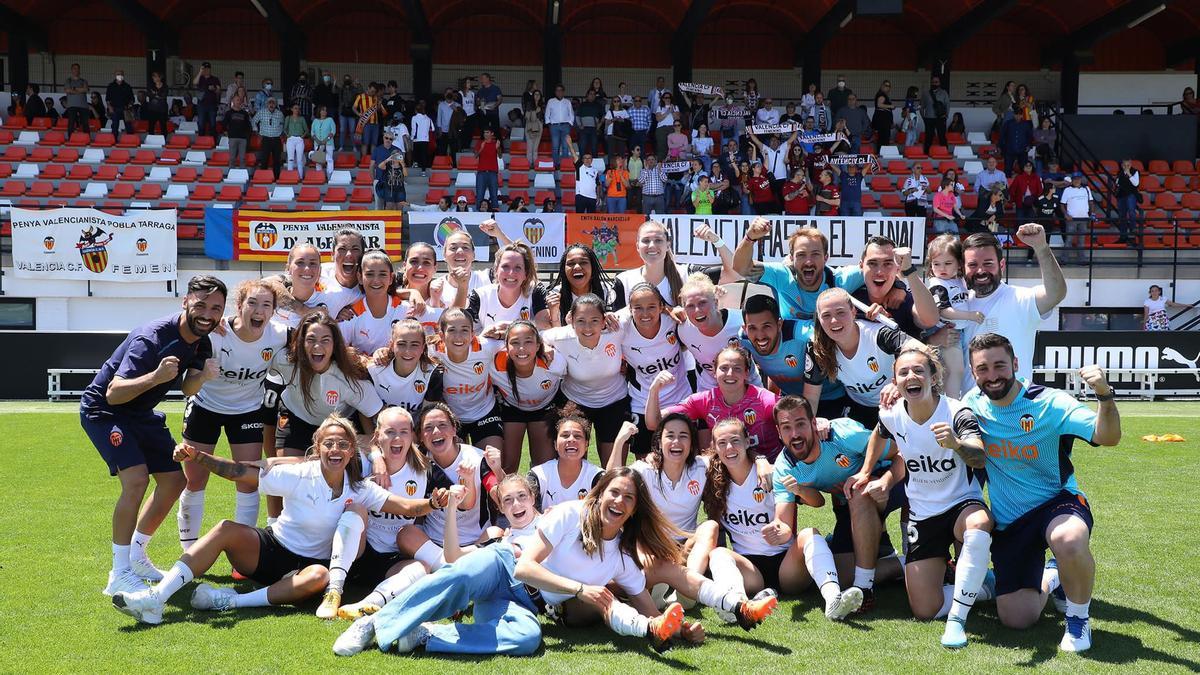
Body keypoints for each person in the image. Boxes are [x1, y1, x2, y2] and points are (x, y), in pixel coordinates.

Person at [111, 415, 446, 624]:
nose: (335, 449)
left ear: (350, 452)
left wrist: (432, 501)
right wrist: (199, 456)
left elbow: (405, 507)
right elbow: (240, 472)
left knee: (320, 575)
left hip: (309, 566)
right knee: (226, 529)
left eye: (342, 444)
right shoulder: (299, 474)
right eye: (328, 442)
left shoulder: (358, 488)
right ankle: (158, 598)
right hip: (271, 548)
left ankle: (232, 601)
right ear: (317, 446)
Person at [963, 333, 1121, 652]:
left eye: (999, 366)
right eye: (983, 369)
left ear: (1015, 365)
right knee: (1017, 620)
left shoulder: (1050, 402)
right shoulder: (971, 406)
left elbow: (1109, 437)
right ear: (973, 371)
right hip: (1011, 522)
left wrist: (1104, 395)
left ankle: (1078, 622)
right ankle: (1053, 577)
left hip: (1057, 502)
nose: (992, 376)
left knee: (1068, 539)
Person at [82, 276, 225, 598]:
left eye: (216, 308)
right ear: (185, 302)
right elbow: (114, 393)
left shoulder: (203, 340)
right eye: (200, 305)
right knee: (136, 480)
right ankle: (118, 574)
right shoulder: (152, 337)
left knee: (175, 481)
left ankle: (137, 554)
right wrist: (156, 377)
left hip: (141, 415)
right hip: (106, 411)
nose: (207, 313)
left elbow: (188, 388)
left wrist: (202, 376)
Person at [869, 345, 995, 648]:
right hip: (923, 514)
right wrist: (865, 470)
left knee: (979, 524)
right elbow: (880, 433)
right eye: (903, 372)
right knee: (925, 610)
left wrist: (955, 444)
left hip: (961, 504)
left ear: (933, 376)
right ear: (894, 380)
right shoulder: (892, 414)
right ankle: (985, 584)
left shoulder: (956, 411)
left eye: (918, 370)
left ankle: (957, 621)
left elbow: (978, 457)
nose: (911, 376)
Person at [695, 417, 861, 621]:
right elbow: (683, 459)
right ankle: (736, 606)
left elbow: (818, 502)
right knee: (719, 554)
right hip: (749, 568)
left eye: (735, 440)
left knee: (810, 533)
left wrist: (797, 491)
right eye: (722, 443)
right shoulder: (712, 478)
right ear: (714, 447)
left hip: (787, 565)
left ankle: (833, 599)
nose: (729, 447)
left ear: (748, 442)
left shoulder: (772, 472)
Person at [176, 279, 289, 550]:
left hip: (247, 411)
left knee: (248, 481)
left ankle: (244, 552)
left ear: (274, 311)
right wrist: (203, 375)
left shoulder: (281, 334)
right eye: (252, 303)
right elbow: (186, 388)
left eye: (266, 305)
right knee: (194, 479)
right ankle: (189, 551)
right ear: (239, 306)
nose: (259, 310)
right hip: (205, 407)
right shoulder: (215, 334)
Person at [771, 395, 905, 612]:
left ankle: (865, 589)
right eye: (786, 427)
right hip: (850, 504)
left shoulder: (842, 434)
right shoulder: (784, 467)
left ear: (814, 423)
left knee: (857, 490)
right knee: (842, 577)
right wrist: (776, 529)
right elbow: (785, 519)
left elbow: (901, 452)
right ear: (778, 432)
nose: (794, 434)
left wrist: (885, 482)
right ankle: (906, 564)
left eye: (801, 424)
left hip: (893, 481)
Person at [960, 227, 1066, 390]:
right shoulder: (956, 305)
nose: (981, 271)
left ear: (1001, 265)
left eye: (988, 263)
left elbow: (1055, 293)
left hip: (1017, 409)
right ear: (963, 268)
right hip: (970, 410)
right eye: (973, 265)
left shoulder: (1021, 298)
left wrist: (1041, 248)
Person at [803, 288, 922, 428]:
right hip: (859, 408)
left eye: (841, 312)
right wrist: (812, 424)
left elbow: (923, 352)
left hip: (898, 402)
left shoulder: (878, 334)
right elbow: (811, 397)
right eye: (826, 315)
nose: (834, 321)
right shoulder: (817, 348)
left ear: (853, 312)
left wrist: (900, 384)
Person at [648, 345, 781, 460]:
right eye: (724, 368)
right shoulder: (705, 401)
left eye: (737, 369)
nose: (730, 374)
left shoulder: (765, 400)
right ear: (714, 373)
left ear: (747, 373)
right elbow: (654, 423)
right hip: (729, 471)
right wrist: (654, 390)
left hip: (768, 470)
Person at [542, 295, 628, 467]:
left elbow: (638, 306)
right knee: (573, 461)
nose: (588, 327)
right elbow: (537, 335)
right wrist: (544, 345)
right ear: (571, 321)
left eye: (594, 320)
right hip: (575, 402)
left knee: (614, 466)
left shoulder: (616, 329)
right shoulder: (562, 336)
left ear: (604, 320)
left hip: (614, 401)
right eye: (581, 320)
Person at [733, 220, 865, 322]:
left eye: (815, 254)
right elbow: (741, 268)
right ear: (791, 258)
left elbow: (876, 269)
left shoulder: (839, 279)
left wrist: (886, 293)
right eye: (801, 255)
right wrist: (750, 238)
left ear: (826, 258)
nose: (808, 262)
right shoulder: (783, 275)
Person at [618, 283, 692, 458]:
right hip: (642, 404)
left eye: (651, 307)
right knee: (645, 463)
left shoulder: (674, 322)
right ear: (630, 309)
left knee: (685, 458)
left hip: (680, 399)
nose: (645, 314)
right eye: (638, 308)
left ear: (661, 307)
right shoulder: (621, 328)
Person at [924, 235, 985, 398]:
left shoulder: (959, 280)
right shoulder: (938, 284)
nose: (941, 268)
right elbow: (943, 311)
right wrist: (970, 316)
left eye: (947, 263)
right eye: (936, 264)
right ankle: (952, 404)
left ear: (959, 263)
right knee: (956, 369)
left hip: (963, 332)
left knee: (963, 369)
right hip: (948, 333)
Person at [528, 405, 604, 509]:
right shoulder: (539, 475)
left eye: (577, 436)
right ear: (555, 444)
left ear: (586, 445)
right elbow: (529, 515)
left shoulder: (597, 476)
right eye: (565, 435)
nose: (571, 439)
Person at [738, 294, 814, 398]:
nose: (760, 336)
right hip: (789, 400)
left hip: (831, 400)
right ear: (745, 328)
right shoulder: (743, 340)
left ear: (779, 325)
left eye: (766, 326)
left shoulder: (801, 335)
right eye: (752, 328)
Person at [466, 243, 551, 331]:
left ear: (526, 273)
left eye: (518, 268)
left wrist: (513, 327)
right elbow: (464, 330)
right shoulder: (479, 296)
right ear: (496, 270)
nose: (511, 273)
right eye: (505, 266)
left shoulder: (535, 291)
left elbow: (545, 327)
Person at [369, 320, 443, 414]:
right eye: (401, 344)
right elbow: (365, 413)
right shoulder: (373, 370)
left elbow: (427, 416)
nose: (408, 351)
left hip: (415, 428)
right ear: (392, 345)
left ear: (423, 348)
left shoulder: (432, 373)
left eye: (414, 345)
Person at [253, 97, 285, 180]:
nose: (271, 105)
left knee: (277, 160)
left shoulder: (280, 114)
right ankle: (263, 177)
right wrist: (256, 131)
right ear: (267, 104)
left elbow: (283, 125)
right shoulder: (261, 112)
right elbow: (253, 121)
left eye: (273, 103)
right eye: (270, 103)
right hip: (265, 139)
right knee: (264, 159)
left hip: (276, 139)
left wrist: (280, 133)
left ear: (275, 104)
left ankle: (277, 178)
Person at [1114, 158, 1141, 246]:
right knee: (1122, 215)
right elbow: (1117, 183)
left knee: (1131, 210)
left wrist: (1129, 174)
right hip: (1121, 195)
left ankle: (1133, 227)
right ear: (1122, 165)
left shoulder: (1135, 172)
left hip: (1131, 194)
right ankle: (1123, 236)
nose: (1126, 167)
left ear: (1130, 164)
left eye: (1128, 165)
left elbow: (1136, 183)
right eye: (1124, 165)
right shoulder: (1120, 173)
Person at [921, 75, 950, 153]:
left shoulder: (944, 93)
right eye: (933, 82)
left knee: (942, 136)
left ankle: (945, 152)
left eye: (936, 82)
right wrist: (924, 118)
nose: (934, 83)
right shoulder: (925, 93)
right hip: (929, 118)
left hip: (941, 118)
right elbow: (922, 107)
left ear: (939, 83)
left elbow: (947, 105)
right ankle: (926, 153)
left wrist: (946, 116)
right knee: (928, 137)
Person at [105, 70, 134, 139]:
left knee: (129, 127)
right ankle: (114, 140)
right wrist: (110, 107)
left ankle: (130, 140)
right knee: (115, 126)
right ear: (115, 75)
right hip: (114, 109)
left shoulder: (127, 86)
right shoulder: (111, 86)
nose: (119, 75)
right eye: (118, 74)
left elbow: (132, 99)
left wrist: (130, 105)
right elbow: (107, 99)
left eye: (121, 74)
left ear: (123, 75)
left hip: (125, 109)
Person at [310, 105, 336, 177]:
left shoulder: (330, 120)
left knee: (329, 159)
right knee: (318, 161)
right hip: (317, 143)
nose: (324, 112)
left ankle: (330, 176)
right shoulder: (315, 121)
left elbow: (333, 131)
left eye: (325, 110)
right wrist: (317, 140)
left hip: (328, 143)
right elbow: (312, 132)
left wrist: (326, 140)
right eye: (323, 110)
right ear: (319, 112)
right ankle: (319, 176)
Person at [145, 71, 169, 136]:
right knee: (151, 126)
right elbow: (149, 94)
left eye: (155, 76)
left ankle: (163, 140)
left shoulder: (165, 86)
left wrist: (155, 94)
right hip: (152, 109)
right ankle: (151, 139)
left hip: (162, 110)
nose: (153, 78)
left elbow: (163, 96)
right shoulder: (151, 86)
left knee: (163, 126)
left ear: (160, 77)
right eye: (153, 76)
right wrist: (158, 95)